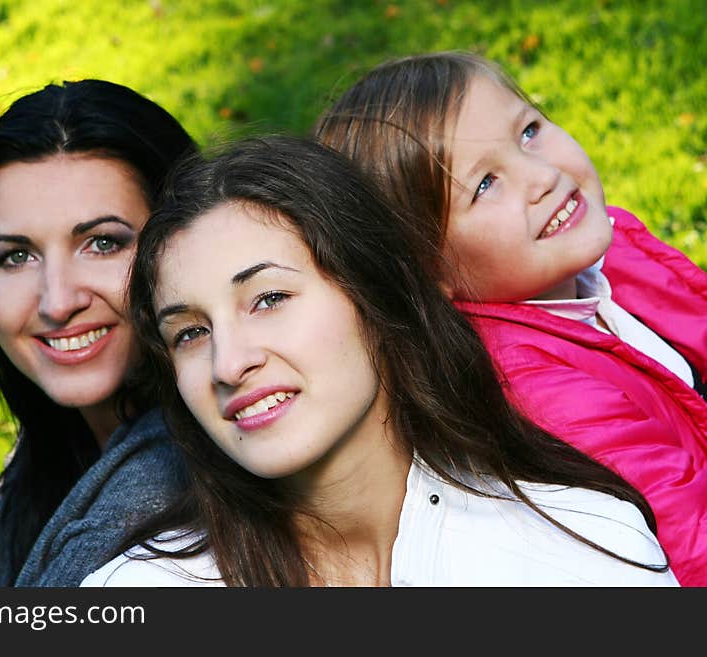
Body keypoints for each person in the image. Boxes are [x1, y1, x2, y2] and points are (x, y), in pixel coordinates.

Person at [82, 136, 677, 586]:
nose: (227, 364)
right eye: (189, 332)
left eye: (269, 298)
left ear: (376, 295)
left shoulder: (582, 549)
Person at [313, 50, 707, 586]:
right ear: (429, 273)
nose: (542, 175)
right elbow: (690, 539)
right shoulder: (533, 387)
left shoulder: (610, 246)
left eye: (528, 132)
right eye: (484, 184)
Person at [0, 79, 196, 586]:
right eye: (16, 256)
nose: (58, 301)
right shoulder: (56, 446)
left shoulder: (164, 489)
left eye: (103, 243)